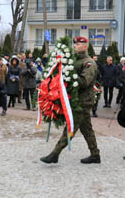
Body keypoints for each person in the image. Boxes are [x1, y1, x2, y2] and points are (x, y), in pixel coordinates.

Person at [40, 36, 100, 164]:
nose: (75, 46)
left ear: (85, 46)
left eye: (78, 44)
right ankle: (95, 155)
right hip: (76, 100)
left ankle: (55, 154)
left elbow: (84, 82)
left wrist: (68, 76)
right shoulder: (74, 61)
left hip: (83, 101)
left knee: (70, 127)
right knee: (86, 129)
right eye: (75, 44)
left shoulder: (89, 63)